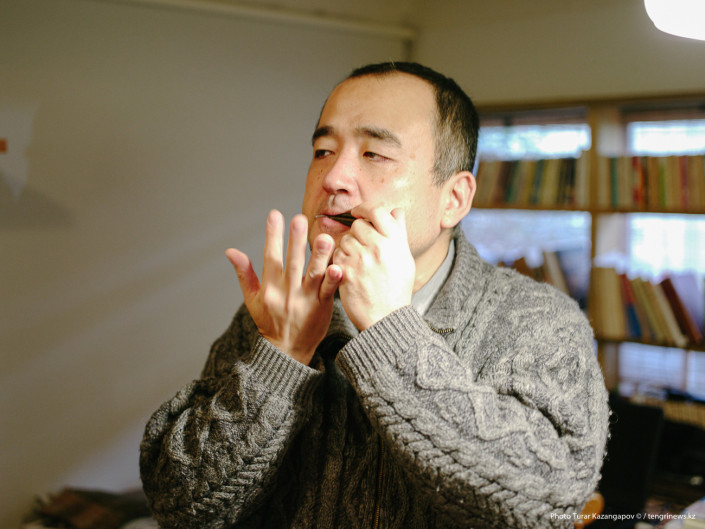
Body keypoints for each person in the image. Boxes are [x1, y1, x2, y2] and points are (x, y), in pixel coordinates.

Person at [140, 62, 609, 529]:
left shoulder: (539, 320)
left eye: (374, 154)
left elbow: (550, 504)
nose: (333, 178)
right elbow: (178, 506)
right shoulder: (279, 314)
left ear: (453, 199)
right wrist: (282, 355)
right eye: (323, 151)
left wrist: (390, 333)